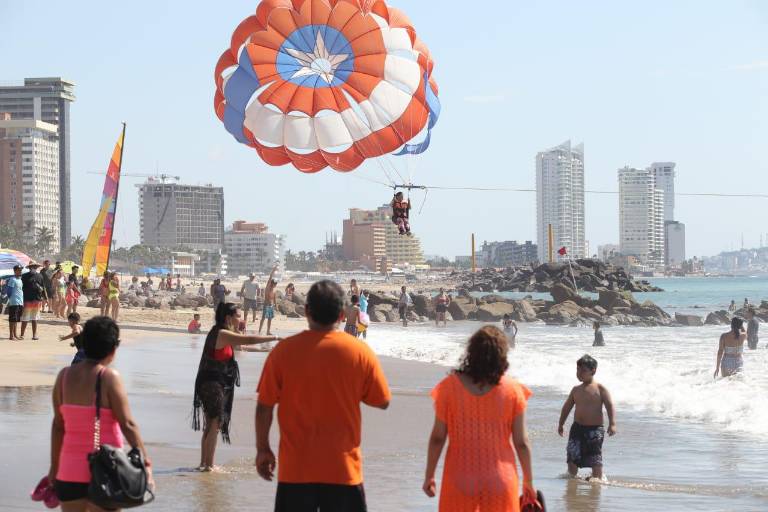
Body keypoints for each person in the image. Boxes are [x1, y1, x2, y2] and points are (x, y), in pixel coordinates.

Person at [256, 280, 391, 511]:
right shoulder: (359, 352)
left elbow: (264, 406)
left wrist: (263, 449)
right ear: (341, 315)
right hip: (343, 470)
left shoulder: (283, 352)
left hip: (295, 471)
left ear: (307, 311)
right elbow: (382, 400)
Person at [423, 326, 537, 511]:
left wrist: (429, 476)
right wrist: (529, 480)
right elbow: (521, 442)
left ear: (471, 352)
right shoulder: (513, 390)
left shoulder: (449, 388)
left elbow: (438, 438)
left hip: (460, 477)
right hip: (500, 479)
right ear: (502, 354)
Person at [49, 316, 155, 508]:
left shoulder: (63, 377)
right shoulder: (109, 377)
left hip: (69, 469)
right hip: (107, 469)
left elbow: (58, 427)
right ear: (114, 348)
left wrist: (54, 467)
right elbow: (128, 424)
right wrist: (145, 464)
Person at [193, 302, 277, 471]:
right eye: (238, 316)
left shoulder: (222, 333)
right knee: (214, 424)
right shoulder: (222, 333)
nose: (241, 318)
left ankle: (204, 463)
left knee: (211, 424)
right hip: (212, 383)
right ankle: (208, 465)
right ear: (228, 318)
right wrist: (275, 338)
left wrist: (265, 351)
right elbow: (249, 339)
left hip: (211, 381)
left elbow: (241, 346)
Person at [558, 355, 617, 480]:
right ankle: (572, 478)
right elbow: (566, 407)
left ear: (593, 370)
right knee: (572, 456)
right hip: (577, 428)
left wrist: (612, 423)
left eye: (583, 370)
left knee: (595, 456)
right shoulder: (575, 390)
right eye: (578, 370)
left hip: (595, 430)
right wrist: (561, 423)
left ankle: (597, 479)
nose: (579, 373)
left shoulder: (600, 389)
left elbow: (609, 405)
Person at [21, 261, 45, 340]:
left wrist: (42, 293)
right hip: (27, 299)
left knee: (34, 318)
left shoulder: (40, 276)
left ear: (36, 268)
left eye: (35, 267)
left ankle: (34, 335)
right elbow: (21, 288)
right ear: (29, 268)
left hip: (37, 300)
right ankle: (22, 335)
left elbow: (43, 288)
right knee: (25, 318)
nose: (33, 268)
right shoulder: (24, 276)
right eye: (32, 267)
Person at [4, 264, 24, 340]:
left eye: (21, 270)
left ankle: (15, 334)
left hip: (20, 302)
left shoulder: (20, 279)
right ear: (15, 271)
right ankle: (11, 336)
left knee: (16, 319)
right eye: (19, 270)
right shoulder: (12, 279)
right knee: (12, 319)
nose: (20, 271)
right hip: (14, 302)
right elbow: (9, 291)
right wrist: (11, 298)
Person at [259, 265, 279, 336]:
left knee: (270, 319)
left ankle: (268, 331)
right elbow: (270, 278)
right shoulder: (268, 287)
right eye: (274, 284)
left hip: (271, 306)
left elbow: (274, 299)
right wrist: (273, 270)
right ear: (271, 283)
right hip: (266, 305)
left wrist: (276, 306)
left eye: (275, 284)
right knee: (263, 318)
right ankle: (259, 331)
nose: (275, 285)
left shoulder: (274, 291)